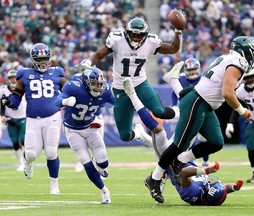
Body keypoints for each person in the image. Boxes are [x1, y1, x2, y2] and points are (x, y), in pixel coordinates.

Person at [144, 36, 254, 203]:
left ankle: (179, 162)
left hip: (206, 104)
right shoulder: (237, 61)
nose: (253, 56)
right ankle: (154, 179)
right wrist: (242, 111)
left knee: (216, 142)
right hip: (198, 102)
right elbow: (227, 92)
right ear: (246, 51)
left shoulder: (229, 58)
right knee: (180, 144)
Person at [122, 76, 243, 205]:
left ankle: (131, 94)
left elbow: (184, 173)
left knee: (158, 129)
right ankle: (173, 80)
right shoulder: (209, 194)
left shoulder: (193, 193)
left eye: (211, 185)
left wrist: (206, 171)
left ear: (207, 191)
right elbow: (222, 190)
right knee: (193, 123)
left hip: (170, 160)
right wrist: (234, 188)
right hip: (187, 157)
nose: (211, 182)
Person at [78, 17, 183, 147]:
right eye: (133, 34)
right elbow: (99, 55)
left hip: (140, 84)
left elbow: (173, 49)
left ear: (145, 35)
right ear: (127, 32)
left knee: (159, 111)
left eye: (140, 35)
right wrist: (88, 62)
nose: (136, 38)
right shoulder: (117, 39)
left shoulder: (151, 41)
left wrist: (178, 31)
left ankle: (178, 111)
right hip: (120, 89)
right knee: (125, 135)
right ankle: (139, 134)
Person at [1, 43, 66, 195]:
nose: (43, 61)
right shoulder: (24, 74)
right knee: (30, 154)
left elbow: (67, 90)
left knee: (51, 152)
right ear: (33, 59)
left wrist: (70, 99)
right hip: (33, 119)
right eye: (40, 58)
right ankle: (28, 163)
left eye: (45, 58)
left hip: (53, 117)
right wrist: (8, 101)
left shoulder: (57, 73)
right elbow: (16, 100)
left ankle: (54, 185)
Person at [55, 67, 114, 204]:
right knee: (86, 164)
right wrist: (65, 101)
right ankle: (104, 191)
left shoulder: (105, 91)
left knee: (103, 162)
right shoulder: (74, 87)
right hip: (72, 130)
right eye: (95, 84)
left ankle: (98, 163)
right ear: (87, 83)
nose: (98, 87)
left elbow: (118, 102)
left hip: (89, 126)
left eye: (100, 84)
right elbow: (58, 100)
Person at [169, 57, 209, 167]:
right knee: (187, 136)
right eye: (189, 70)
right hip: (186, 111)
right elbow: (174, 93)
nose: (192, 72)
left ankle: (205, 162)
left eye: (194, 69)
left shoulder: (204, 78)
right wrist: (174, 105)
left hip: (202, 110)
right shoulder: (181, 79)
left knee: (203, 138)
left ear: (199, 69)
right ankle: (190, 160)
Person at [0, 69, 26, 172]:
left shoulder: (24, 87)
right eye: (12, 78)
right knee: (15, 142)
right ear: (8, 79)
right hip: (10, 119)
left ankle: (27, 162)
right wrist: (2, 115)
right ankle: (20, 163)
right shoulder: (3, 90)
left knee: (24, 140)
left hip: (23, 117)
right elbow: (1, 104)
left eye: (15, 78)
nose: (14, 80)